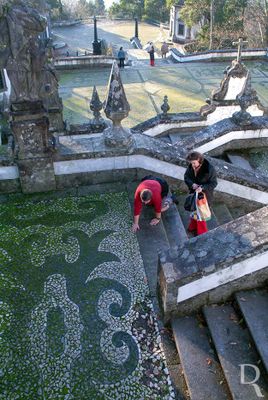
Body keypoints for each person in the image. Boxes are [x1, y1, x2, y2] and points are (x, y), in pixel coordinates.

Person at [184, 152, 217, 235]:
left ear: (199, 160)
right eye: (191, 163)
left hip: (204, 197)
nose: (192, 165)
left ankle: (202, 233)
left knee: (201, 215)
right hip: (194, 195)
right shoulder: (192, 166)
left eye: (194, 163)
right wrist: (192, 184)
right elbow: (186, 177)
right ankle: (193, 227)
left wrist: (202, 187)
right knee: (195, 211)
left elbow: (214, 183)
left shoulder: (209, 169)